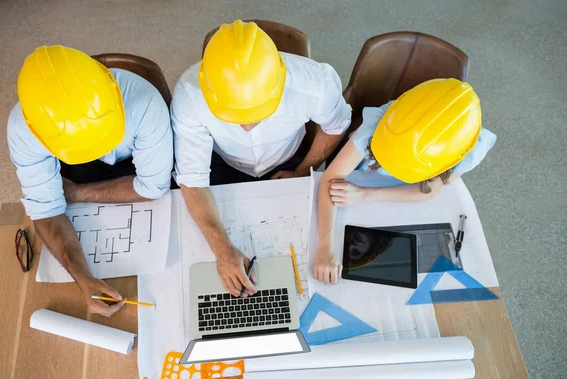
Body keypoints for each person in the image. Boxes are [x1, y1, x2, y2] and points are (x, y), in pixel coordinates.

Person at [171, 20, 351, 297]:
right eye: (233, 116)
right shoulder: (188, 94)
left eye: (257, 114)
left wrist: (304, 169)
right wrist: (222, 249)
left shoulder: (315, 83)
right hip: (221, 162)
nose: (246, 128)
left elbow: (336, 126)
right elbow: (192, 178)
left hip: (289, 159)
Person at [8, 46, 173, 316]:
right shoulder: (23, 128)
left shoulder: (143, 102)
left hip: (135, 157)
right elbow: (46, 210)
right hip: (77, 169)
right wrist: (83, 278)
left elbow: (153, 187)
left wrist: (75, 194)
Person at [313, 78, 497, 284]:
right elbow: (330, 177)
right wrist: (324, 247)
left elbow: (430, 191)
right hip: (364, 176)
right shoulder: (382, 123)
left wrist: (365, 194)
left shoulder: (467, 147)